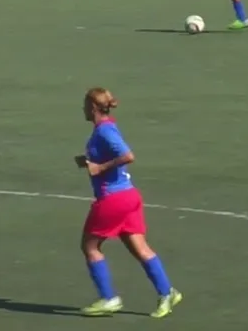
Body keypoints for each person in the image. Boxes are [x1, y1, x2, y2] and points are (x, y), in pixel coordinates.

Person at [75, 88, 183, 318]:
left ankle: (109, 298)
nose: (83, 109)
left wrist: (99, 167)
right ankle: (168, 292)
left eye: (85, 104)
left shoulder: (104, 131)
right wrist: (89, 162)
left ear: (93, 107)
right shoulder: (106, 129)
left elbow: (127, 156)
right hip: (128, 197)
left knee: (90, 247)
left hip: (113, 199)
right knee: (140, 248)